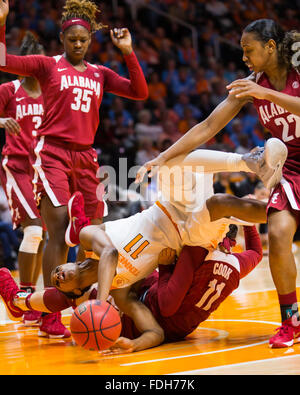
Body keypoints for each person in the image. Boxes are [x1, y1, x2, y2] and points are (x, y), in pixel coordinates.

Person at [135, 18, 300, 349]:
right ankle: (291, 319)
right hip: (292, 167)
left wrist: (266, 93)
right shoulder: (251, 84)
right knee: (279, 234)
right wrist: (163, 157)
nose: (243, 58)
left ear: (270, 47)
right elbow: (208, 125)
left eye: (248, 50)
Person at [0, 0, 148, 337]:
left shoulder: (100, 73)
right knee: (58, 230)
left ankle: (85, 300)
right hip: (51, 153)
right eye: (72, 40)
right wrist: (2, 22)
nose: (78, 44)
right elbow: (3, 61)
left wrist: (127, 51)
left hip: (86, 157)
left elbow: (140, 92)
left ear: (90, 40)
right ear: (63, 39)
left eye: (83, 40)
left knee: (93, 232)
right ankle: (50, 314)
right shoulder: (48, 66)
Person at [0, 222, 263, 353]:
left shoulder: (195, 251)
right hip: (153, 296)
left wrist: (134, 344)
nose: (56, 274)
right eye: (58, 275)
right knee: (85, 282)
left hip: (150, 308)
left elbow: (161, 319)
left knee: (79, 292)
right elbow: (256, 253)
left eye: (57, 273)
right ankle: (21, 302)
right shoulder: (225, 258)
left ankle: (20, 302)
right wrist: (249, 223)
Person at [0, 32, 46, 327]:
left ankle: (30, 298)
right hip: (16, 166)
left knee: (43, 236)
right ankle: (25, 297)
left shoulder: (52, 91)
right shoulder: (8, 89)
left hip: (44, 168)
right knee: (34, 232)